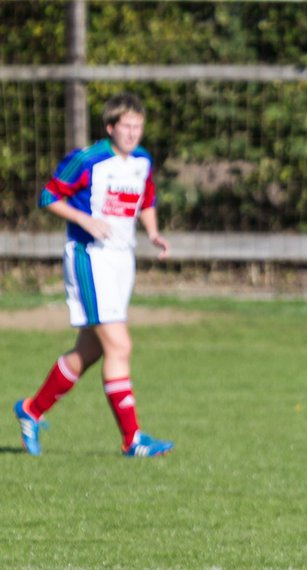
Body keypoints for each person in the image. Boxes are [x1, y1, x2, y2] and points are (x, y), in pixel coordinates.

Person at [13, 91, 173, 458]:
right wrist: (84, 218)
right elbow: (49, 196)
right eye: (126, 127)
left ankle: (31, 410)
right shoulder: (88, 160)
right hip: (89, 258)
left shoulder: (142, 161)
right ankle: (133, 440)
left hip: (122, 261)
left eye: (138, 127)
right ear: (110, 127)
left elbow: (146, 200)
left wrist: (152, 233)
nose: (133, 134)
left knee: (89, 350)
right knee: (120, 345)